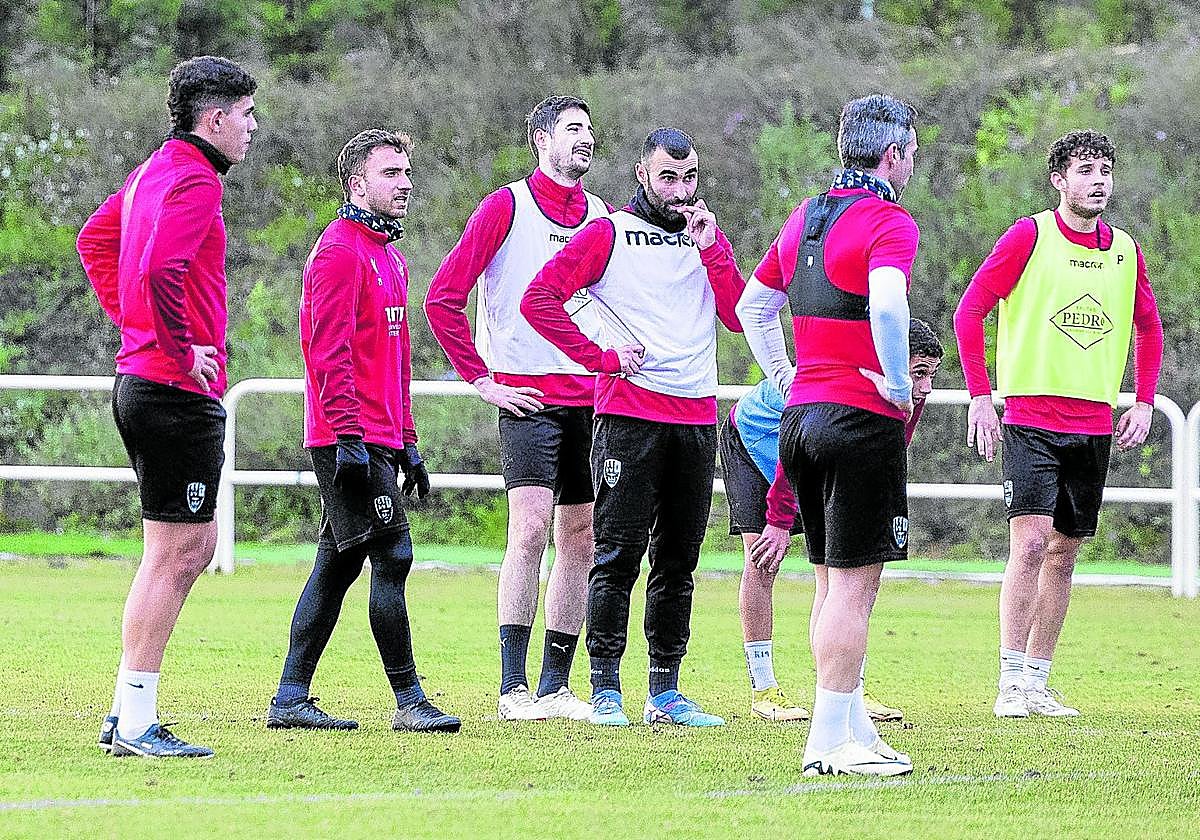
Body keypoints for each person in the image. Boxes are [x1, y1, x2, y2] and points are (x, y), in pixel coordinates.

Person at [521, 128, 745, 727]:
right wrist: (601, 356)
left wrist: (714, 248)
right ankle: (605, 686)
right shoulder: (608, 233)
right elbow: (538, 298)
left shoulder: (706, 240)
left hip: (696, 418)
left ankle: (665, 691)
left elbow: (737, 315)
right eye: (667, 178)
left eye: (689, 177)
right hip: (628, 416)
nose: (680, 190)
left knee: (679, 558)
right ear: (642, 177)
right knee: (617, 554)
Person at [76, 56, 257, 758]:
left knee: (195, 545)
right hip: (171, 389)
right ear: (213, 119)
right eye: (245, 115)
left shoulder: (154, 168)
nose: (252, 127)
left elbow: (96, 241)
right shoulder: (192, 179)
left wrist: (139, 330)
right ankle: (138, 724)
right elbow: (155, 268)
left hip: (153, 382)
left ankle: (125, 711)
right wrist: (177, 347)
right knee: (178, 552)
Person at [736, 94, 920, 776]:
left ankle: (848, 721)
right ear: (893, 153)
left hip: (802, 419)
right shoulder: (888, 219)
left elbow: (753, 305)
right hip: (857, 418)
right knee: (853, 588)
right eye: (911, 154)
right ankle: (827, 743)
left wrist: (787, 375)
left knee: (828, 581)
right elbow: (892, 302)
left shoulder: (805, 215)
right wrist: (898, 386)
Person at [954, 130, 1163, 719]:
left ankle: (1040, 681)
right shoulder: (1030, 235)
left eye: (1106, 170)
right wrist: (980, 396)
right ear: (1059, 180)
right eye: (1086, 170)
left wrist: (1143, 399)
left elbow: (1149, 326)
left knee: (1065, 554)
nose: (1098, 180)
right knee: (1030, 544)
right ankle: (1010, 682)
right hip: (1030, 418)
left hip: (1094, 423)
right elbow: (969, 311)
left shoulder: (1126, 250)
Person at [266, 130, 459, 735]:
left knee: (338, 562)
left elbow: (393, 362)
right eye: (391, 173)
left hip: (377, 436)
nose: (405, 183)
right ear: (357, 184)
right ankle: (409, 701)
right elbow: (327, 354)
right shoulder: (339, 252)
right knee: (392, 554)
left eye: (408, 172)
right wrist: (349, 437)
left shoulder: (390, 257)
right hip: (346, 437)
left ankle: (291, 697)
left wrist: (409, 441)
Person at [425, 96, 610, 721]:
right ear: (541, 138)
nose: (586, 139)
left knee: (580, 538)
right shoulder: (506, 205)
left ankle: (557, 686)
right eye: (572, 129)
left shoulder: (602, 215)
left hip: (589, 399)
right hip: (526, 396)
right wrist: (483, 381)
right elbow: (443, 298)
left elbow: (604, 303)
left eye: (590, 130)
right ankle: (512, 689)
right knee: (529, 529)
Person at [723, 319, 942, 723]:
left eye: (931, 375)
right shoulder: (843, 382)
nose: (926, 387)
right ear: (890, 360)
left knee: (838, 573)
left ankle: (845, 687)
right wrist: (777, 521)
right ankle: (764, 688)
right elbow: (797, 444)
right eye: (919, 373)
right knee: (762, 561)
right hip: (758, 438)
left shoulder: (909, 394)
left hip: (814, 445)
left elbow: (887, 449)